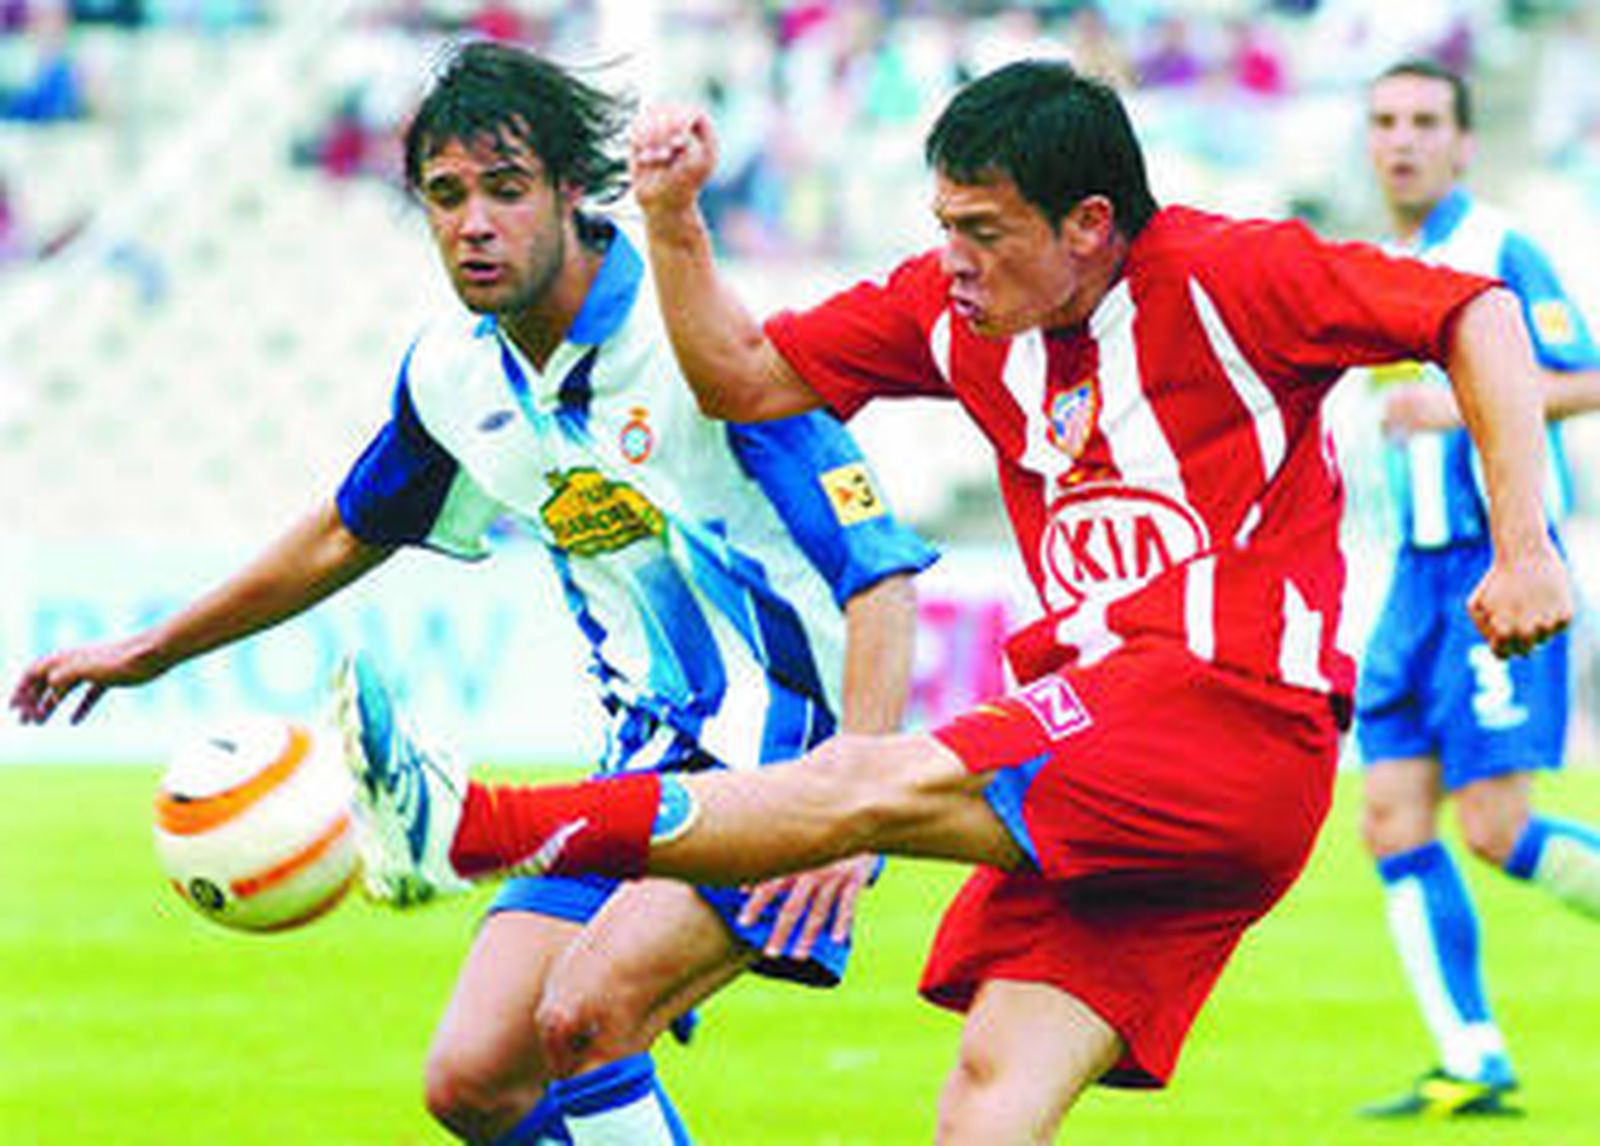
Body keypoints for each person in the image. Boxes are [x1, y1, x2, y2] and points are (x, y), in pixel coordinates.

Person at [338, 59, 1573, 1144]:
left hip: (1224, 716)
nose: (951, 258)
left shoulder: (1234, 276)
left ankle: (472, 823)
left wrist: (1523, 547)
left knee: (862, 783)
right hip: (1124, 766)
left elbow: (1477, 312)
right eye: (942, 224)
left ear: (1089, 225)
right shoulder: (955, 312)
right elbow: (738, 377)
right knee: (986, 1099)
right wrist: (672, 223)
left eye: (980, 229)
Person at [8, 41, 936, 1146]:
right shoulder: (455, 372)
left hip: (797, 758)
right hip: (644, 756)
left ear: (568, 193)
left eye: (504, 190)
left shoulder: (691, 331)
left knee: (589, 1016)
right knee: (472, 1080)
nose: (473, 224)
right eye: (446, 198)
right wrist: (150, 652)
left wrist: (856, 799)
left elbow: (876, 568)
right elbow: (350, 530)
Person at [1354, 58, 1600, 1119]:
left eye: (1423, 122)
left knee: (1496, 828)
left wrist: (1454, 411)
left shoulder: (1496, 248)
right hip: (1408, 580)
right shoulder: (1369, 264)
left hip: (1495, 566)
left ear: (1461, 141)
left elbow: (1586, 373)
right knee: (1388, 818)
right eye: (1384, 122)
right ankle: (1471, 1056)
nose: (1401, 140)